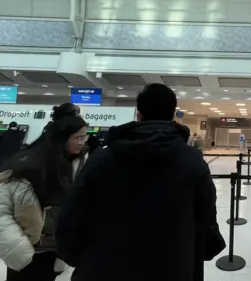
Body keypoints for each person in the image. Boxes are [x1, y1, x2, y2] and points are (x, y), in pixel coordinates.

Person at [55, 83, 218, 281]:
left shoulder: (102, 158)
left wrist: (83, 259)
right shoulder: (192, 160)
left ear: (138, 115)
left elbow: (72, 213)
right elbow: (205, 214)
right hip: (171, 267)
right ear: (172, 116)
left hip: (105, 267)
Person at [0, 115, 88, 281]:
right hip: (29, 250)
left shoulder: (77, 165)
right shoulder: (29, 167)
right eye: (78, 137)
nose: (83, 142)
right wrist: (19, 249)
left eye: (85, 137)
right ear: (62, 138)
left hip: (54, 250)